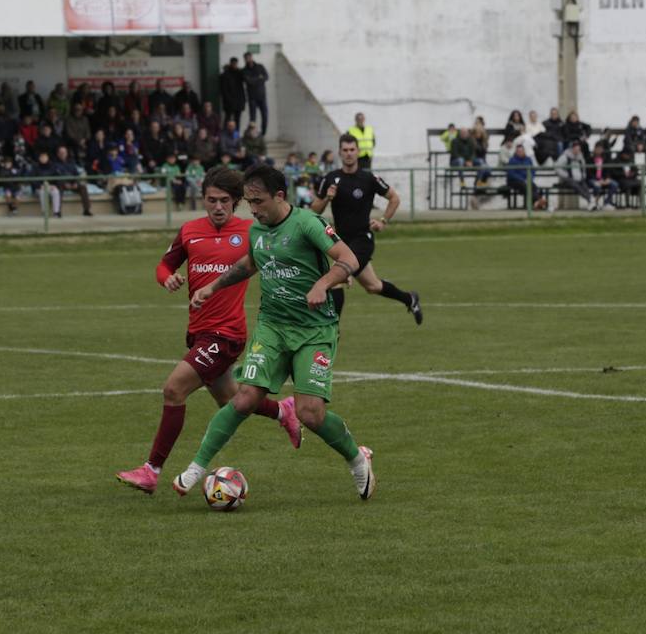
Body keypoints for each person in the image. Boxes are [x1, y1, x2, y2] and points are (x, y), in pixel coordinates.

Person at [171, 164, 376, 500]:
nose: (252, 209)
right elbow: (250, 264)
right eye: (249, 202)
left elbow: (348, 258)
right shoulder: (257, 230)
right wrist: (212, 287)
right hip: (272, 328)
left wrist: (323, 284)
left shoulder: (308, 223)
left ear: (279, 196)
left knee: (311, 413)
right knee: (245, 398)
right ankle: (196, 467)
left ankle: (357, 458)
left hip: (314, 330)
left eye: (258, 201)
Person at [116, 167, 303, 495]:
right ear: (203, 199)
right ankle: (282, 410)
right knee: (233, 400)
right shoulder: (190, 231)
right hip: (199, 333)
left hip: (227, 334)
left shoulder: (250, 231)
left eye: (225, 201)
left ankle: (151, 470)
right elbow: (164, 265)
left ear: (236, 203)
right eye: (211, 200)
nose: (217, 207)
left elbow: (282, 255)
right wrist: (167, 279)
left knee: (173, 389)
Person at [311, 133, 422, 324]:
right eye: (345, 150)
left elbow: (394, 198)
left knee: (335, 278)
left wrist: (383, 220)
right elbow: (314, 209)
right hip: (341, 242)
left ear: (358, 152)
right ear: (339, 152)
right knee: (373, 286)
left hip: (363, 239)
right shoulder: (331, 178)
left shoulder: (368, 178)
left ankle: (332, 331)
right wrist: (328, 198)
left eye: (352, 150)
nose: (349, 154)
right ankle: (410, 299)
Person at [242, 52, 270, 136]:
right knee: (252, 118)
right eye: (246, 58)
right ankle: (252, 135)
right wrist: (259, 78)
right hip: (252, 97)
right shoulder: (244, 70)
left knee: (265, 116)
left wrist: (254, 79)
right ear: (245, 59)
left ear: (252, 57)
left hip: (262, 96)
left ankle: (263, 134)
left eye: (249, 57)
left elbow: (266, 77)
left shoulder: (260, 66)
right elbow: (248, 81)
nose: (248, 59)